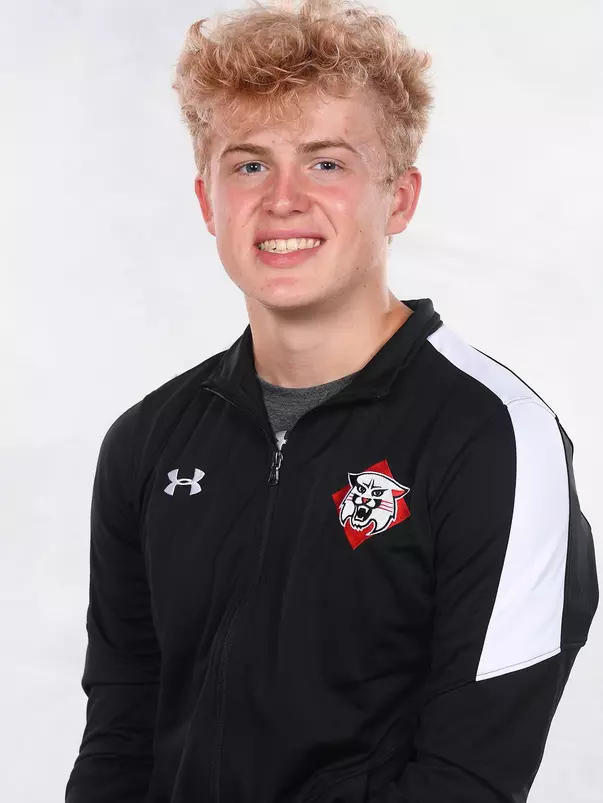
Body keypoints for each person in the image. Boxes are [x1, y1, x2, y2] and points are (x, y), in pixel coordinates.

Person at [65, 1, 598, 801]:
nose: (281, 199)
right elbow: (120, 726)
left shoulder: (494, 438)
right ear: (208, 201)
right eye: (248, 164)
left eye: (326, 163)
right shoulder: (147, 441)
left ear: (399, 198)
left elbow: (469, 777)